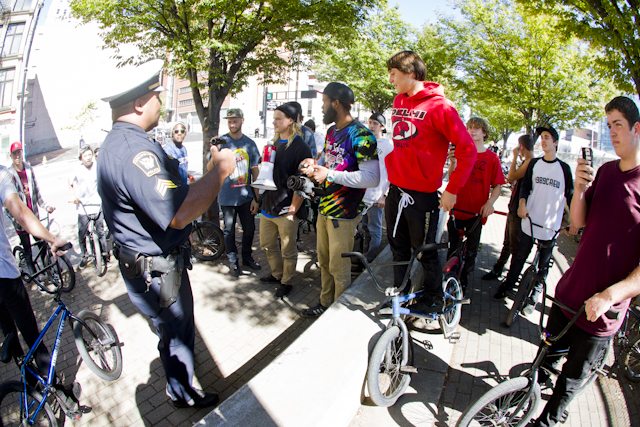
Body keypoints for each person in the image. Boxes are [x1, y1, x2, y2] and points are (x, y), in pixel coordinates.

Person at [97, 60, 235, 409]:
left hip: (142, 265)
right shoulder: (136, 151)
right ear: (139, 104)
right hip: (156, 271)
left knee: (170, 331)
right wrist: (221, 171)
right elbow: (178, 212)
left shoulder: (118, 143)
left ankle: (180, 384)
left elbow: (163, 196)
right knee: (177, 333)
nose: (162, 101)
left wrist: (198, 180)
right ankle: (183, 394)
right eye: (156, 95)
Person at [532, 96, 640, 426]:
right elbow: (577, 223)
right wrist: (580, 188)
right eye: (608, 126)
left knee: (567, 388)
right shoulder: (606, 172)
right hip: (569, 296)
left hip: (600, 313)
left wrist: (610, 295)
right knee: (542, 365)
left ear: (637, 129)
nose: (612, 133)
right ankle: (521, 403)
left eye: (618, 125)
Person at [384, 51, 476, 309]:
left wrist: (452, 189)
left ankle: (434, 299)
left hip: (423, 196)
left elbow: (467, 148)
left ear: (411, 73)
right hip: (396, 190)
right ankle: (398, 299)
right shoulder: (399, 101)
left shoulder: (441, 106)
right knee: (397, 247)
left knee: (425, 251)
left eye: (394, 74)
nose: (391, 79)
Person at [299, 82, 379, 317]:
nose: (322, 108)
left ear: (336, 103)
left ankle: (337, 314)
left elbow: (372, 178)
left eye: (324, 102)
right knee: (323, 262)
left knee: (339, 267)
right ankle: (325, 304)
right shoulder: (333, 132)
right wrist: (315, 164)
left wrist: (330, 174)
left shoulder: (362, 135)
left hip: (343, 215)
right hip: (324, 208)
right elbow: (328, 161)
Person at [0, 164, 69, 384]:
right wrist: (52, 238)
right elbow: (20, 212)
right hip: (4, 276)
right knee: (31, 334)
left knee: (9, 331)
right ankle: (55, 387)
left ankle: (28, 382)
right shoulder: (1, 175)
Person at [493, 125, 573, 308]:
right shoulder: (535, 163)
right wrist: (522, 204)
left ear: (556, 142)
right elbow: (525, 187)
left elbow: (570, 196)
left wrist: (572, 222)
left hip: (550, 227)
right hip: (529, 221)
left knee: (543, 265)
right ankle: (508, 286)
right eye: (542, 137)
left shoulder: (564, 169)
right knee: (519, 257)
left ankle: (533, 297)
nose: (543, 140)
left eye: (547, 137)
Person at [258, 103, 312, 297]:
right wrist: (258, 199)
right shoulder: (271, 144)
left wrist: (292, 210)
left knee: (288, 249)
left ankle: (287, 281)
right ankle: (276, 273)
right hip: (267, 206)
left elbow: (303, 183)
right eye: (274, 119)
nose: (274, 122)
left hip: (287, 208)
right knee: (267, 244)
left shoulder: (300, 147)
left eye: (279, 118)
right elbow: (264, 175)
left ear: (290, 120)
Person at [447, 117, 505, 291]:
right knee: (452, 251)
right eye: (470, 127)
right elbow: (451, 178)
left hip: (476, 215)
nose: (472, 131)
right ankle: (449, 283)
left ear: (484, 133)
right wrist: (453, 163)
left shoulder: (492, 158)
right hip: (456, 210)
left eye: (477, 128)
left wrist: (490, 203)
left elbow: (498, 186)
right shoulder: (461, 152)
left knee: (471, 253)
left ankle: (463, 283)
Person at [483, 134, 534, 280]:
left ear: (522, 146)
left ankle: (507, 275)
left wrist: (514, 157)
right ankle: (499, 269)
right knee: (508, 243)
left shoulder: (530, 161)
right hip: (514, 208)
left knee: (512, 245)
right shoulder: (529, 161)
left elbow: (511, 176)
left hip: (518, 211)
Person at [218, 108, 262, 277]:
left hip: (246, 196)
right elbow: (211, 169)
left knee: (249, 229)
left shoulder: (250, 144)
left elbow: (255, 171)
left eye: (235, 119)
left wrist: (257, 197)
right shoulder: (221, 142)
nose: (232, 123)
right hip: (227, 197)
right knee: (228, 230)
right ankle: (233, 260)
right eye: (229, 120)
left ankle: (247, 257)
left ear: (242, 120)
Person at [5, 141, 55, 274]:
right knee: (27, 250)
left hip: (33, 217)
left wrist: (46, 206)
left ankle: (49, 270)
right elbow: (7, 204)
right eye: (14, 154)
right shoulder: (8, 174)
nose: (17, 156)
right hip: (21, 222)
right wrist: (15, 219)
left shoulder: (28, 168)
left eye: (19, 152)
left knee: (42, 245)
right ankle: (35, 276)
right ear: (11, 156)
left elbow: (37, 192)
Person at [69, 146, 108, 268]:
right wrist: (74, 196)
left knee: (100, 231)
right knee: (82, 232)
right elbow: (70, 184)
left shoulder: (97, 166)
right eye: (85, 156)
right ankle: (84, 255)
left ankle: (104, 253)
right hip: (83, 206)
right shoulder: (76, 170)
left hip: (97, 203)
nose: (88, 158)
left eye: (90, 155)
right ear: (81, 158)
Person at [362, 112, 393, 262]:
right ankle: (365, 256)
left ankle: (371, 260)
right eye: (370, 122)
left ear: (382, 126)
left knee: (375, 229)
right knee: (364, 228)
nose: (372, 126)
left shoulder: (387, 145)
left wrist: (384, 194)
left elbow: (393, 171)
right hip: (362, 193)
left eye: (375, 123)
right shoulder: (365, 142)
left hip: (376, 194)